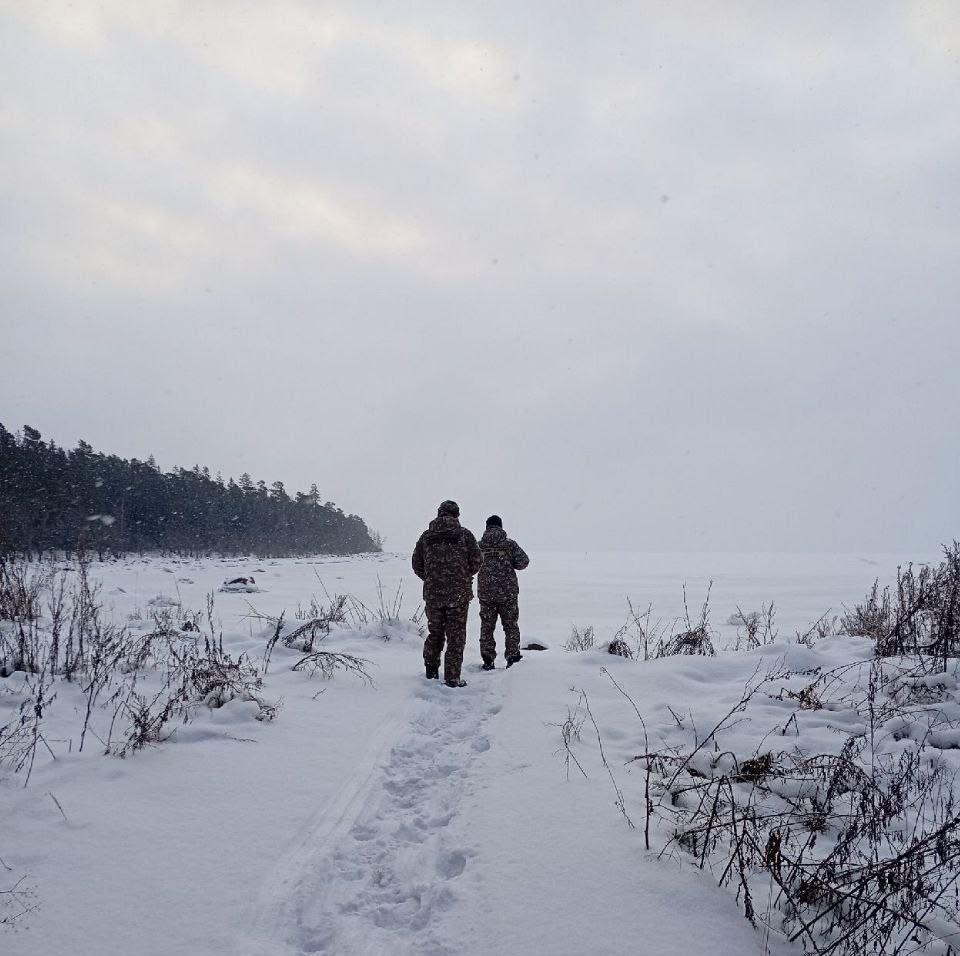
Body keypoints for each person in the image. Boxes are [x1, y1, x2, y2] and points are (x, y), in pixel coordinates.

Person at [412, 500, 481, 688]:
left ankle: (431, 671)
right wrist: (463, 575)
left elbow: (416, 564)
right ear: (456, 515)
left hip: (433, 595)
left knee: (435, 633)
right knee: (456, 636)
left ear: (439, 513)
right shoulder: (465, 535)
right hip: (458, 595)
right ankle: (452, 678)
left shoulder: (426, 536)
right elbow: (477, 561)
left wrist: (432, 579)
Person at [477, 515, 529, 670]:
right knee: (511, 626)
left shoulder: (479, 545)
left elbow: (469, 564)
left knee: (487, 626)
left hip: (486, 593)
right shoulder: (509, 545)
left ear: (487, 527)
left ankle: (488, 660)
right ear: (501, 527)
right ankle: (512, 657)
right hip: (508, 593)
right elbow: (524, 562)